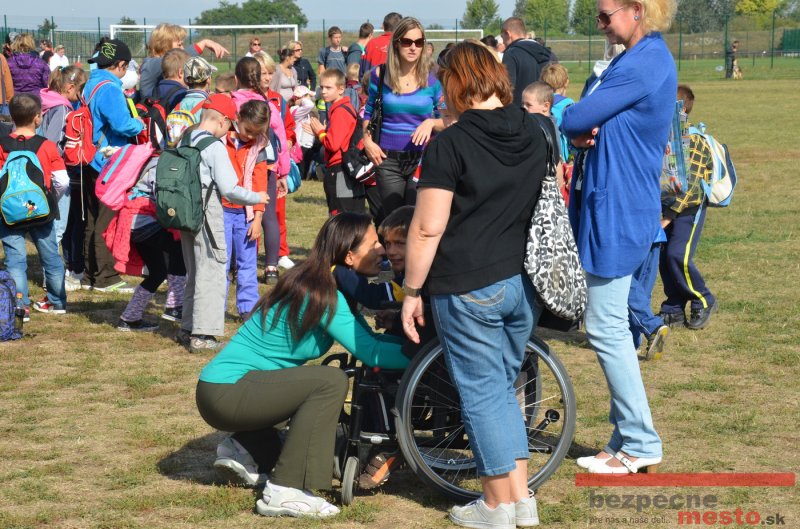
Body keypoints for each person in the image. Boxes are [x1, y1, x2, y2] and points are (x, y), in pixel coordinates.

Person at [400, 40, 547, 529]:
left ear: (457, 83)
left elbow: (427, 228)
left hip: (468, 284)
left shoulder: (451, 144)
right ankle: (520, 500)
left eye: (444, 81)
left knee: (483, 395)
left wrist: (411, 291)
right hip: (521, 282)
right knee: (501, 390)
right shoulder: (534, 130)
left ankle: (496, 506)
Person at [196, 212, 409, 517]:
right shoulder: (324, 294)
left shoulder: (319, 284)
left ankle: (247, 448)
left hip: (229, 388)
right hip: (227, 391)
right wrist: (426, 354)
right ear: (349, 256)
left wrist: (414, 346)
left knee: (316, 384)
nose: (382, 251)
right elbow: (372, 352)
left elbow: (369, 340)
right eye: (374, 244)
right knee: (329, 381)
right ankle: (285, 490)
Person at [562, 0, 677, 474]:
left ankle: (641, 441)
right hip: (615, 204)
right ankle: (623, 437)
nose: (600, 23)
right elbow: (585, 118)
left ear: (636, 10)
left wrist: (579, 124)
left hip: (620, 209)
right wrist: (583, 127)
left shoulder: (643, 62)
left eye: (606, 14)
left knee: (606, 325)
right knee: (612, 325)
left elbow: (574, 116)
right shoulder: (633, 58)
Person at [175, 93, 268, 353]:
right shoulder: (214, 146)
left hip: (186, 213)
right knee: (213, 273)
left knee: (194, 273)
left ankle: (187, 328)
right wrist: (257, 198)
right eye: (229, 125)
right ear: (223, 120)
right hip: (208, 214)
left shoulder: (186, 138)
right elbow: (229, 189)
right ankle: (203, 335)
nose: (229, 131)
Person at [362, 17, 444, 223]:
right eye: (407, 42)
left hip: (422, 160)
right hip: (387, 160)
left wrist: (431, 123)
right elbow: (369, 112)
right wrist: (367, 141)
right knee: (394, 222)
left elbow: (449, 119)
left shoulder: (433, 78)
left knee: (417, 220)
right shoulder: (379, 75)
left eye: (419, 42)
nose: (413, 47)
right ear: (397, 43)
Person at [81, 39, 144, 293]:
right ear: (121, 65)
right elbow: (122, 125)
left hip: (89, 158)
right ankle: (106, 277)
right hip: (107, 161)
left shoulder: (91, 83)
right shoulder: (110, 89)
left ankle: (90, 274)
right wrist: (139, 123)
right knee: (107, 220)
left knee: (92, 219)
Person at [0, 94, 69, 317]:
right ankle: (57, 302)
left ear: (12, 117)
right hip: (41, 211)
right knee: (51, 257)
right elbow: (62, 181)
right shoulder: (47, 146)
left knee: (15, 261)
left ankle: (20, 307)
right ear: (38, 118)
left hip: (10, 212)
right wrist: (51, 198)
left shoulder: (2, 145)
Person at [658, 84, 718, 330]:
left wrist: (668, 216)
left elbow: (691, 186)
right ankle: (673, 307)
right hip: (666, 208)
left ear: (679, 110)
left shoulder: (693, 140)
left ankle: (703, 298)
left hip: (688, 210)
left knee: (678, 255)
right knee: (664, 259)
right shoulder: (666, 135)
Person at [38, 66, 87, 297]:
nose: (80, 95)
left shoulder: (45, 100)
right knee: (57, 228)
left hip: (39, 170)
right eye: (79, 90)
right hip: (55, 171)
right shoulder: (62, 107)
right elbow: (52, 141)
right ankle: (51, 280)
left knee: (47, 227)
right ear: (69, 87)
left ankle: (49, 275)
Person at [223, 100, 270, 318]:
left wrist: (258, 219)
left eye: (256, 133)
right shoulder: (221, 139)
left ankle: (248, 308)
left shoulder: (259, 147)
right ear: (238, 118)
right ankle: (216, 309)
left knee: (248, 263)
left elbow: (260, 184)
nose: (250, 136)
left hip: (246, 214)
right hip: (221, 210)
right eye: (248, 130)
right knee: (221, 263)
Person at [309, 69, 365, 215]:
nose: (323, 91)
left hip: (340, 169)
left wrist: (320, 132)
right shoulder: (343, 108)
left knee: (341, 216)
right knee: (351, 215)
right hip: (347, 168)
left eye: (328, 87)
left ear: (341, 89)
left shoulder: (340, 111)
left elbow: (333, 144)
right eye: (321, 87)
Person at [138, 23, 228, 99]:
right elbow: (177, 57)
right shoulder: (151, 64)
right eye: (179, 45)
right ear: (164, 45)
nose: (183, 48)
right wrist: (203, 44)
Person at [500, 17, 557, 106]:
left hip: (521, 110)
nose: (503, 42)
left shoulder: (511, 54)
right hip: (545, 109)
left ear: (508, 33)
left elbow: (507, 88)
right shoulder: (549, 54)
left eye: (502, 36)